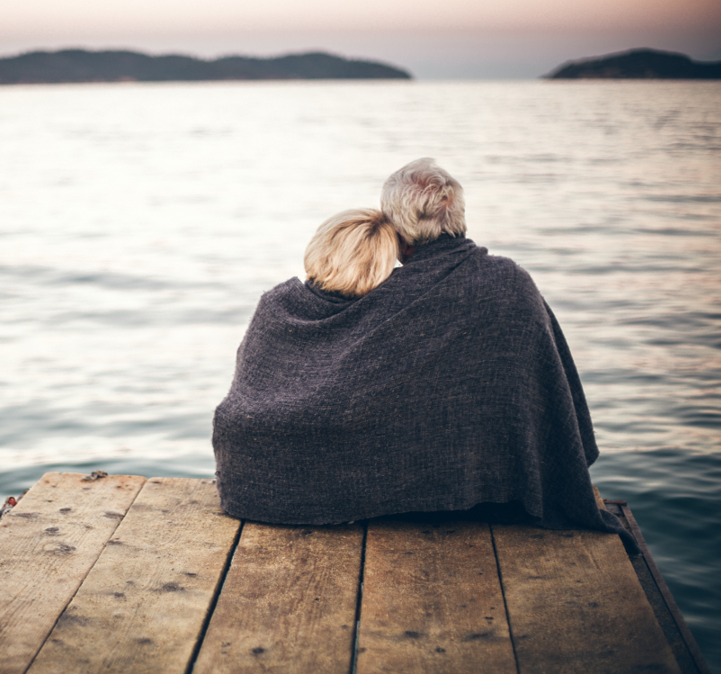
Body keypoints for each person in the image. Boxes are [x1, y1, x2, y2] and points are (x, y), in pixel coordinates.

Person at [212, 158, 635, 549]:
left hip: (247, 483)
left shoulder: (380, 293)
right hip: (478, 490)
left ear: (396, 226)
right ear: (460, 215)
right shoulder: (509, 282)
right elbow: (544, 389)